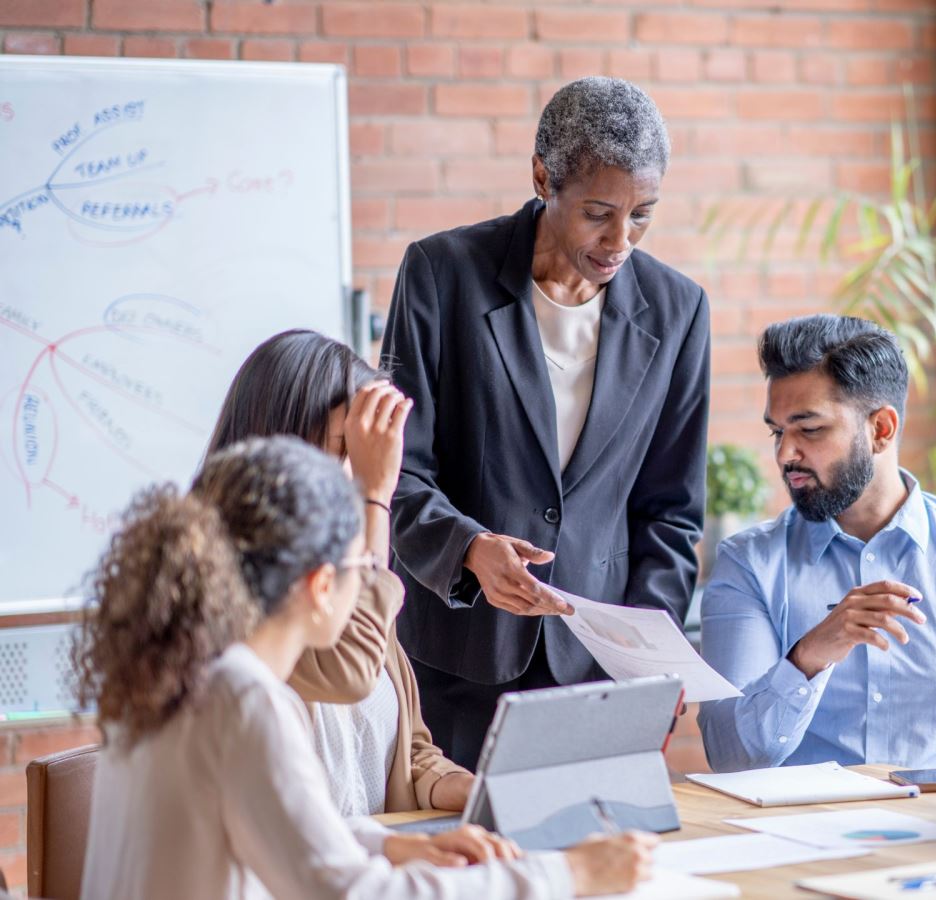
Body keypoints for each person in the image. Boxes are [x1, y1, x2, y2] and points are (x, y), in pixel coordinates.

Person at [78, 436, 656, 899]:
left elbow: (281, 828)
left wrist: (384, 845)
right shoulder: (243, 698)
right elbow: (347, 893)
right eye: (365, 565)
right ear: (322, 586)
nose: (382, 588)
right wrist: (570, 877)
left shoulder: (184, 676)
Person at [383, 76, 709, 768]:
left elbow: (672, 511)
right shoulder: (441, 274)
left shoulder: (678, 310)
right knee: (469, 867)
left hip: (598, 671)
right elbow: (396, 471)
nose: (621, 240)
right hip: (461, 662)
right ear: (542, 177)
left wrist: (651, 650)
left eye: (643, 215)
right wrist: (469, 548)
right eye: (599, 212)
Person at [697, 315, 936, 773]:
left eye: (809, 430)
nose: (785, 455)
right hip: (802, 840)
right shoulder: (748, 564)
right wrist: (809, 656)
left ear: (881, 429)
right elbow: (731, 758)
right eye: (778, 432)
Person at [205, 329, 473, 814]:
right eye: (344, 449)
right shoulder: (224, 580)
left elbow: (409, 749)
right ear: (283, 443)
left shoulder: (341, 563)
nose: (354, 471)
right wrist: (375, 495)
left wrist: (461, 788)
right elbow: (349, 674)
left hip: (369, 858)